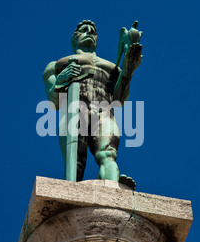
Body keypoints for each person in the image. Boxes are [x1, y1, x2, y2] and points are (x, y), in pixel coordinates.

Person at [43, 20, 142, 188]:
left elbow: (119, 99)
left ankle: (112, 187)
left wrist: (128, 71)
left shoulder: (112, 68)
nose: (89, 32)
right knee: (76, 163)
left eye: (93, 32)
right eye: (84, 30)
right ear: (74, 39)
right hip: (74, 111)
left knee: (108, 154)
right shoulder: (57, 65)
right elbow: (53, 100)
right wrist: (61, 79)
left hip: (103, 113)